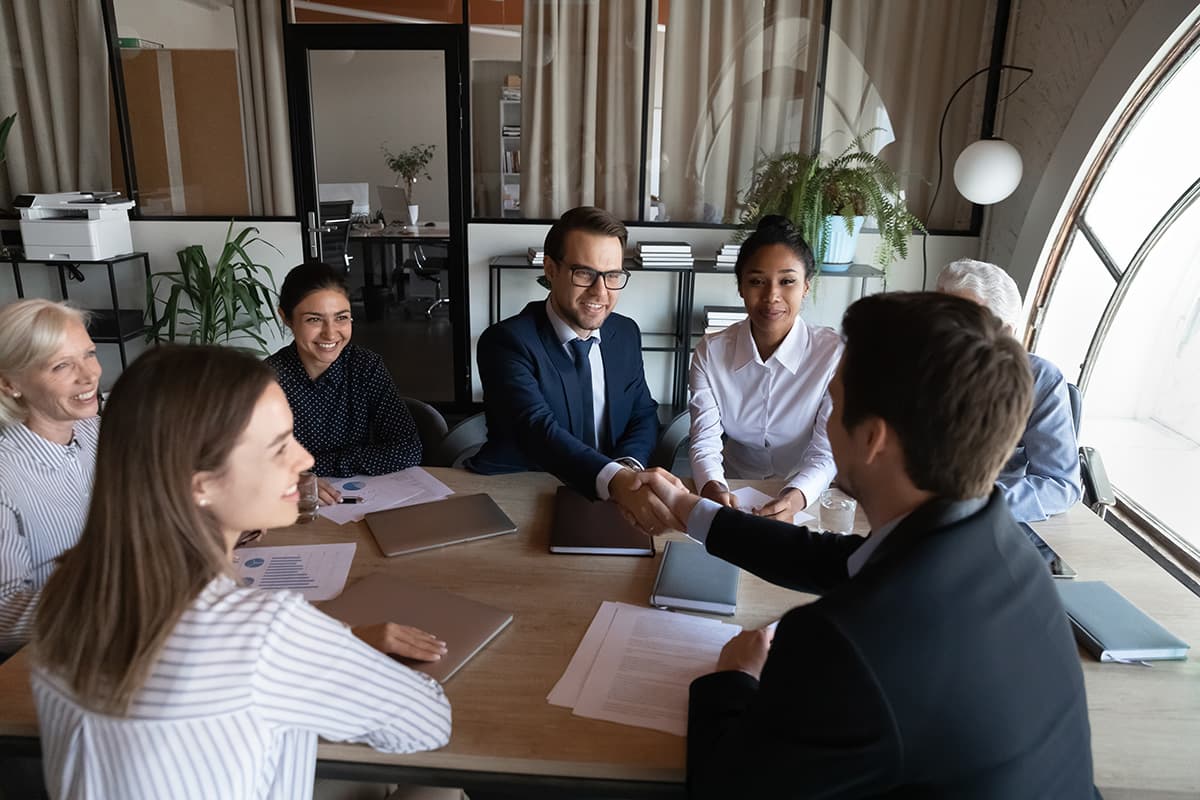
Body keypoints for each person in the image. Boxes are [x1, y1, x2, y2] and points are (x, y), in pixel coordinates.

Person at [635, 292, 1097, 798]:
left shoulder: (839, 645)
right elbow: (842, 561)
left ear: (873, 438)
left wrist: (734, 676)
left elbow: (724, 790)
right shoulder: (1004, 545)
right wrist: (692, 510)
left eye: (833, 400)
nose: (826, 418)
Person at [32, 345, 452, 800]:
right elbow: (426, 726)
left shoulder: (66, 593)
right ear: (201, 485)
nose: (305, 460)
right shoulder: (258, 631)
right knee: (436, 788)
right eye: (278, 448)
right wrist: (338, 649)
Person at [467, 206, 674, 533]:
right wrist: (617, 480)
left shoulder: (625, 334)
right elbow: (537, 430)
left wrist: (627, 468)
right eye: (584, 273)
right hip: (520, 497)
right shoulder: (506, 342)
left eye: (612, 276)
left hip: (610, 497)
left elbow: (642, 413)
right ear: (551, 269)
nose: (600, 292)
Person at [688, 215, 842, 521]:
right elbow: (704, 439)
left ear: (806, 287)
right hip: (733, 490)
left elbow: (826, 451)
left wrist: (796, 497)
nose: (772, 296)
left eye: (787, 281)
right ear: (741, 287)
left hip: (807, 494)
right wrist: (712, 487)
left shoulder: (833, 355)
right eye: (757, 281)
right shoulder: (710, 352)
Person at [936, 258, 1082, 521]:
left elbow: (1060, 485)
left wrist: (973, 504)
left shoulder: (1040, 380)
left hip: (993, 517)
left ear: (1005, 332)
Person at [267, 261, 422, 506]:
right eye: (314, 320)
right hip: (296, 507)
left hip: (358, 500)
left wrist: (309, 470)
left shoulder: (365, 367)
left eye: (341, 318)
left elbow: (408, 448)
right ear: (286, 318)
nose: (330, 334)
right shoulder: (266, 381)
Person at [0, 300, 101, 656]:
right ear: (9, 383)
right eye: (61, 365)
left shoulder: (94, 430)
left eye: (89, 354)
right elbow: (3, 616)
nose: (89, 375)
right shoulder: (5, 478)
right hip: (46, 659)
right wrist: (118, 599)